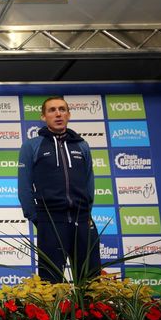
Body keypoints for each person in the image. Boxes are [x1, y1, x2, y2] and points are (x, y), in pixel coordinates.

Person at [18, 96, 99, 283]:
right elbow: (24, 186)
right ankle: (55, 314)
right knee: (51, 283)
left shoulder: (82, 145)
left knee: (90, 281)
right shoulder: (32, 146)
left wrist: (86, 213)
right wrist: (37, 218)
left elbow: (89, 181)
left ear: (68, 115)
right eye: (52, 110)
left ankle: (87, 313)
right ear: (43, 117)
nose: (58, 114)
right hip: (51, 221)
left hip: (82, 220)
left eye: (62, 109)